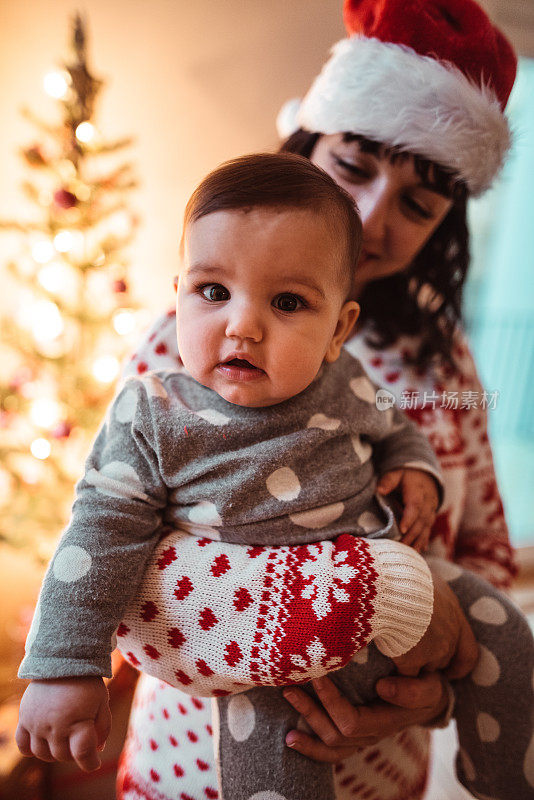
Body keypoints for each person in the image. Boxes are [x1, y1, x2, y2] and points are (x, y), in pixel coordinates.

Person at [106, 2, 533, 800]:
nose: (371, 216)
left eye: (418, 203)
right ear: (308, 142)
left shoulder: (444, 365)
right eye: (356, 165)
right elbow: (119, 583)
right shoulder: (185, 346)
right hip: (188, 776)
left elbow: (487, 557)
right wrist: (391, 600)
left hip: (390, 779)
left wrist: (434, 697)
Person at [15, 153, 533, 800]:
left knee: (512, 637)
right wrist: (66, 667)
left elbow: (394, 427)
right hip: (267, 669)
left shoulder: (347, 379)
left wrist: (416, 470)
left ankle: (502, 779)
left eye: (287, 302)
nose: (242, 324)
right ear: (177, 297)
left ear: (338, 329)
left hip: (399, 726)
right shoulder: (154, 413)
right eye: (212, 292)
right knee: (279, 763)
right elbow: (97, 539)